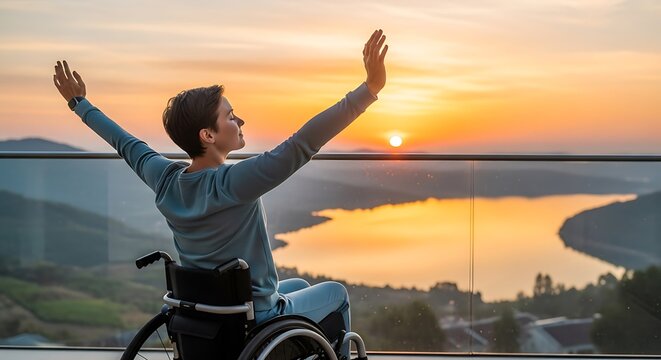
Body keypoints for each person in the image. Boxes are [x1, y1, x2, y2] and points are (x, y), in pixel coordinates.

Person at [53, 29, 388, 357]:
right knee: (336, 293)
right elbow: (302, 144)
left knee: (298, 286)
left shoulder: (166, 179)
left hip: (208, 314)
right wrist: (369, 90)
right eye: (229, 116)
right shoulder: (232, 184)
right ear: (207, 135)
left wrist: (78, 103)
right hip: (253, 318)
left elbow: (125, 143)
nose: (239, 119)